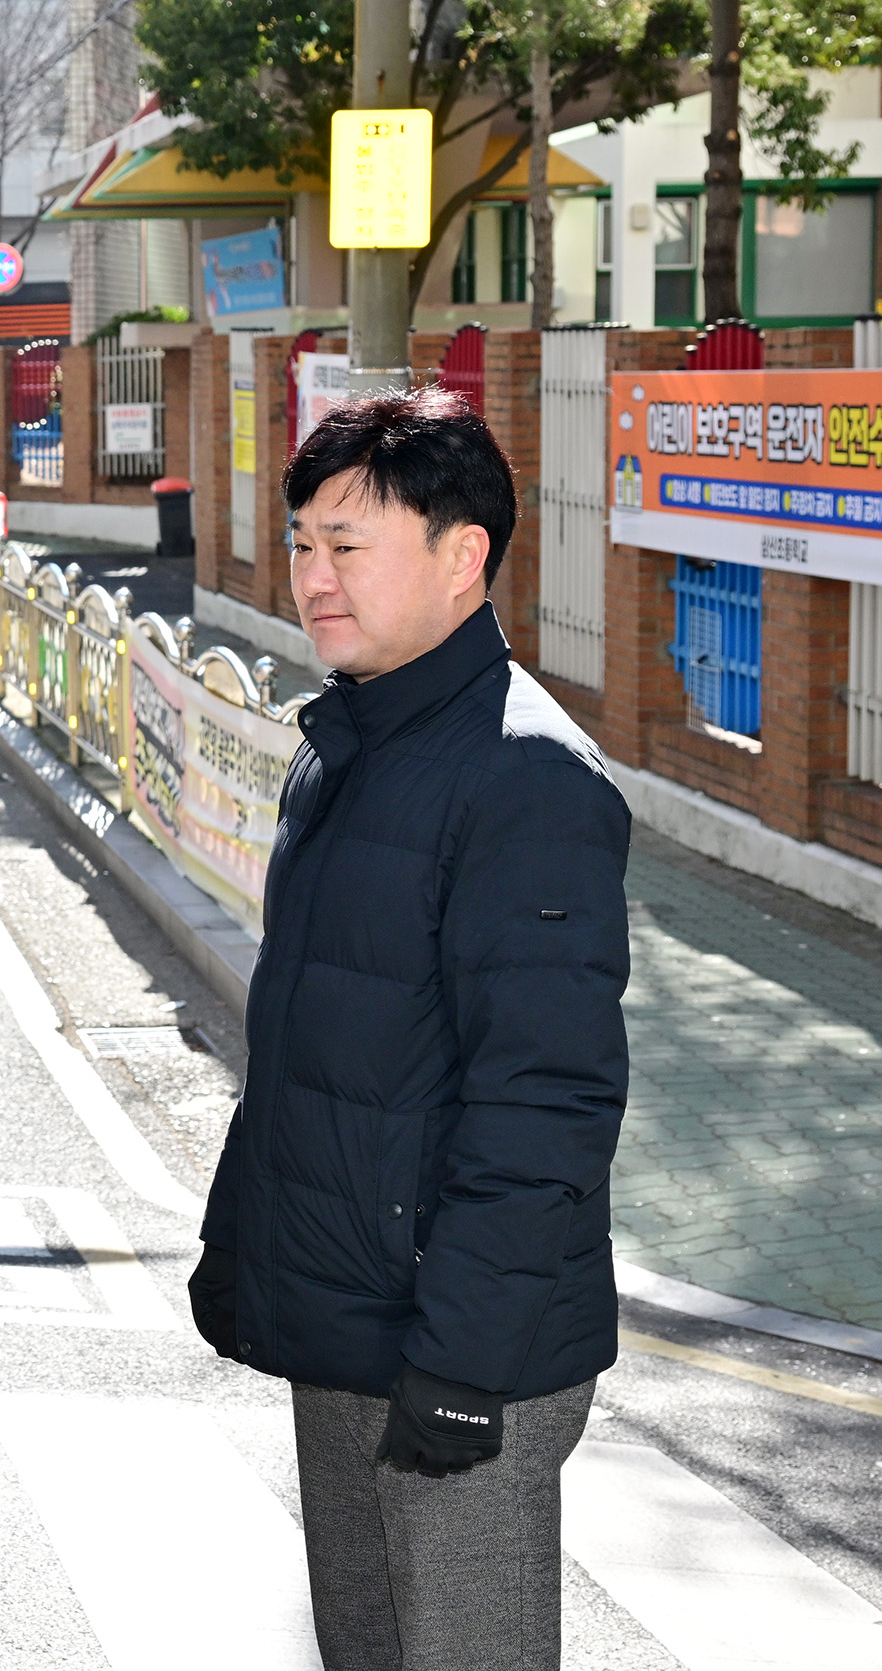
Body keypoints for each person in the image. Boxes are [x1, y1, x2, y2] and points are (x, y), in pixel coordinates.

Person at [189, 390, 629, 1671]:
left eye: (351, 544)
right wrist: (250, 1253)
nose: (316, 576)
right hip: (347, 1323)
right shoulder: (349, 737)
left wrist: (464, 1361)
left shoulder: (525, 777)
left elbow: (548, 1098)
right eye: (306, 542)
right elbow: (318, 1045)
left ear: (462, 555)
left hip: (456, 1349)